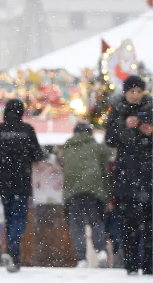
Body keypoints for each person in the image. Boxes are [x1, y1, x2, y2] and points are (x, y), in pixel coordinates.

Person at [0, 98, 44, 273]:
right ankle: (11, 251)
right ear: (21, 112)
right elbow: (38, 154)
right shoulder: (27, 130)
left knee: (10, 217)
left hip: (3, 182)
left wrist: (0, 160)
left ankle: (14, 258)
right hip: (22, 181)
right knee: (19, 218)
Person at [106, 75, 153, 274]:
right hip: (127, 176)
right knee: (129, 224)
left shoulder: (151, 109)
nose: (135, 95)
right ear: (125, 93)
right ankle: (131, 265)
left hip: (149, 176)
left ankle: (150, 266)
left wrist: (148, 132)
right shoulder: (117, 111)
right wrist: (125, 126)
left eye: (138, 91)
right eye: (132, 91)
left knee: (150, 226)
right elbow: (110, 139)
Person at [59, 121, 111, 267]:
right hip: (93, 190)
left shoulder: (67, 148)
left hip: (73, 192)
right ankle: (100, 250)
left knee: (77, 226)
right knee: (96, 221)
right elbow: (105, 172)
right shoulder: (97, 147)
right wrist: (107, 195)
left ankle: (81, 258)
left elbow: (64, 168)